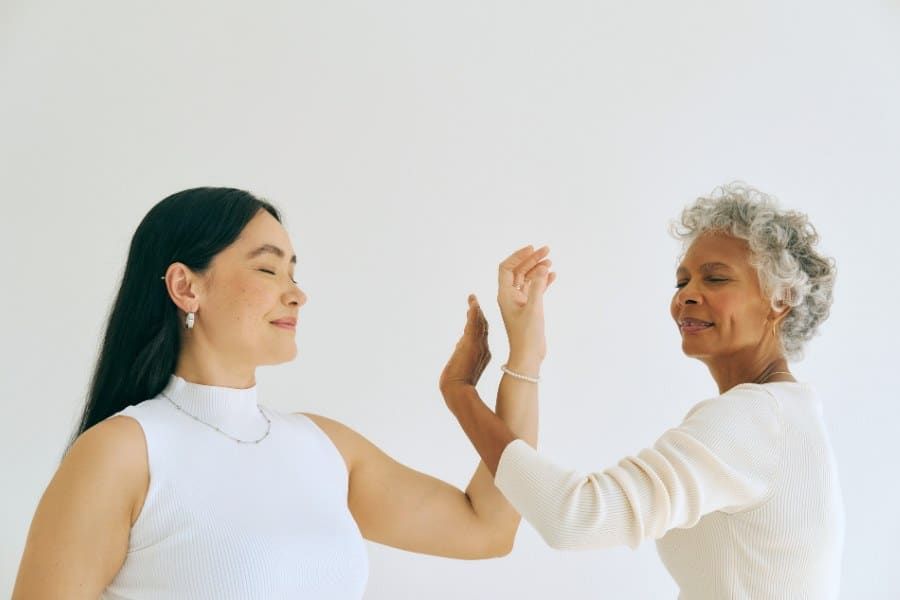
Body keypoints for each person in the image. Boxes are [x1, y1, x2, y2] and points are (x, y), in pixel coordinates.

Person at [11, 187, 553, 599]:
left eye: (293, 271)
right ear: (185, 287)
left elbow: (490, 527)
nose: (297, 293)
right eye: (268, 268)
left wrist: (523, 359)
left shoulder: (323, 448)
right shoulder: (124, 453)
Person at [444, 183, 845, 599]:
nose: (688, 295)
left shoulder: (755, 419)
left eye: (716, 278)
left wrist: (460, 393)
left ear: (781, 299)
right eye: (681, 282)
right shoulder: (784, 415)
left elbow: (575, 516)